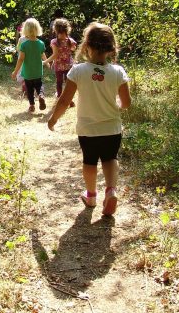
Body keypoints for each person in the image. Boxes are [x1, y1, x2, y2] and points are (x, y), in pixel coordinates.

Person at [47, 22, 131, 216]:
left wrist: (53, 119)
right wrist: (117, 105)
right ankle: (110, 191)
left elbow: (64, 100)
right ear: (111, 47)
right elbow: (126, 103)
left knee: (90, 161)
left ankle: (91, 195)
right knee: (110, 158)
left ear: (86, 46)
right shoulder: (118, 72)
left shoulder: (78, 70)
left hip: (87, 130)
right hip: (112, 128)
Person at [11, 18, 47, 112]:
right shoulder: (41, 43)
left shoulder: (24, 45)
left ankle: (32, 105)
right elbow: (43, 55)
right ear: (38, 29)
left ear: (25, 29)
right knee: (39, 85)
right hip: (38, 71)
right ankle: (41, 95)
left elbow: (20, 59)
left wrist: (15, 72)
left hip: (27, 72)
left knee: (29, 89)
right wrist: (47, 63)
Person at [43, 18, 77, 106]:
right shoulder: (71, 41)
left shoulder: (54, 42)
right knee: (68, 83)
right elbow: (73, 49)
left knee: (59, 82)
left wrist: (45, 61)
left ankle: (60, 97)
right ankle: (69, 100)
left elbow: (55, 55)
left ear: (55, 29)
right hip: (68, 66)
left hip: (58, 66)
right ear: (67, 29)